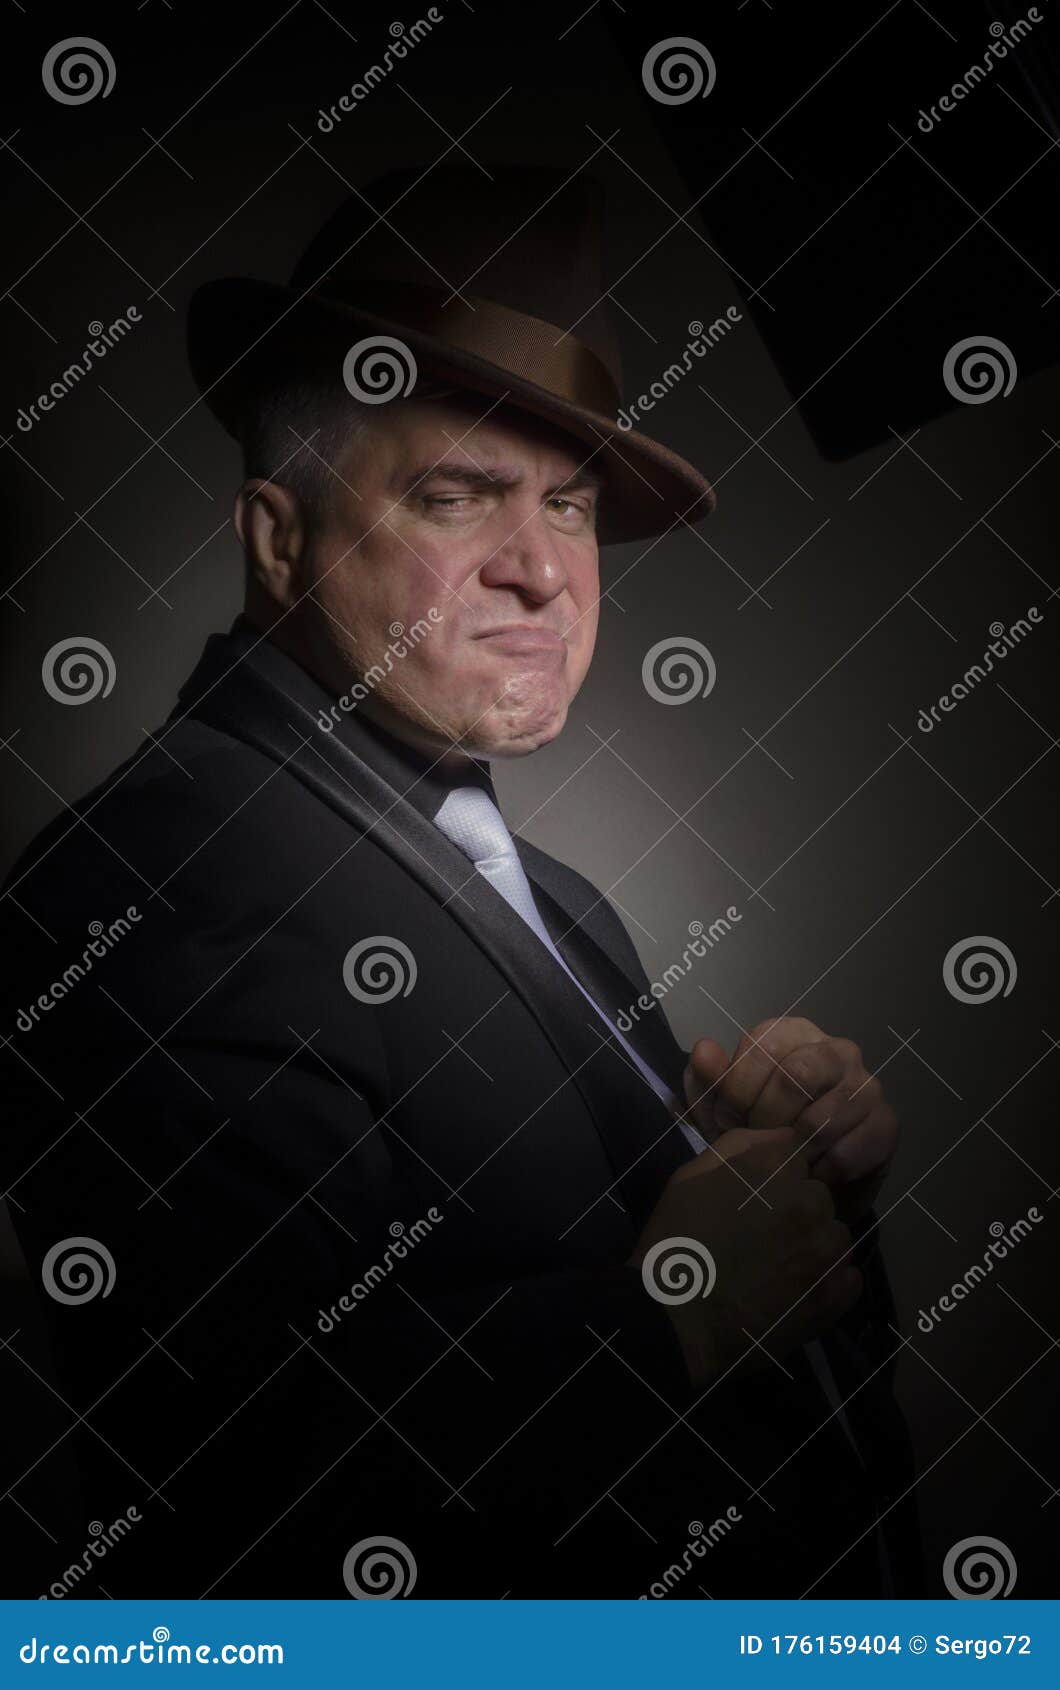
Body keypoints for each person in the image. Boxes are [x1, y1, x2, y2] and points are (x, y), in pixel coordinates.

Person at [0, 164, 922, 1598]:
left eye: (568, 505)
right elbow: (216, 1487)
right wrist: (668, 1304)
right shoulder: (166, 863)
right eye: (457, 495)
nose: (544, 571)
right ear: (278, 536)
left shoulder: (552, 899)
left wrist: (768, 1169)